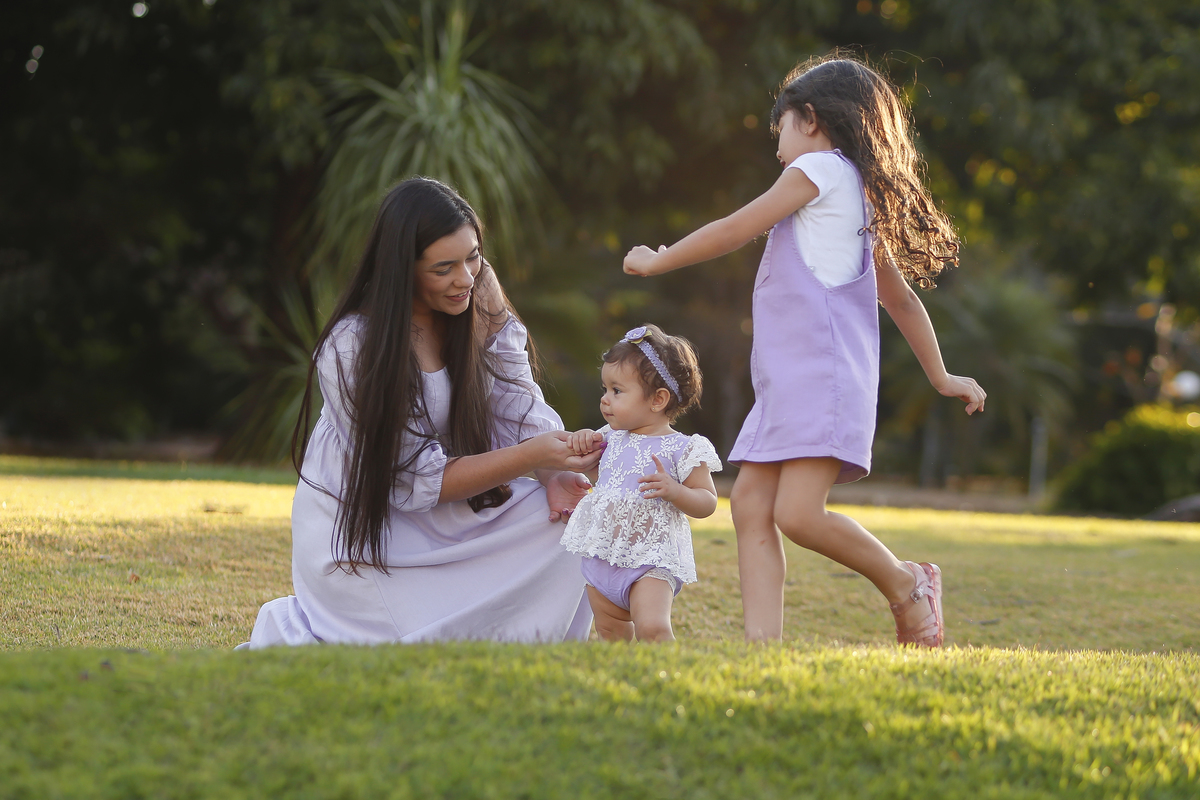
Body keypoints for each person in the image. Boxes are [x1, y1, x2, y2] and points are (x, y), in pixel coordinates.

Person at [622, 56, 987, 647]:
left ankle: (908, 584)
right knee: (749, 505)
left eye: (781, 131)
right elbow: (900, 300)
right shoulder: (852, 196)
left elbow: (735, 228)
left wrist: (659, 259)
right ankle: (762, 650)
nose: (778, 150)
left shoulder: (819, 170)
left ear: (810, 120)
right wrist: (941, 375)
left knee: (797, 514)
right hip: (788, 386)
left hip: (823, 380)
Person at [241, 177, 603, 647]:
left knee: (572, 524)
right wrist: (531, 455)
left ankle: (535, 652)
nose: (465, 279)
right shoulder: (353, 347)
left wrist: (552, 475)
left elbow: (515, 398)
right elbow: (413, 482)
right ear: (402, 269)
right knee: (410, 638)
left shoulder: (473, 301)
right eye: (443, 268)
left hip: (441, 513)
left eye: (474, 257)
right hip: (366, 532)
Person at [559, 324, 720, 642]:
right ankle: (624, 681)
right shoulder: (608, 439)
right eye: (605, 389)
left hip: (651, 561)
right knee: (609, 630)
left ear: (658, 399)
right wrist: (578, 441)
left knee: (652, 627)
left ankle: (669, 680)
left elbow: (707, 500)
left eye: (616, 391)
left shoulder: (683, 448)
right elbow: (601, 477)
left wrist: (676, 491)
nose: (605, 400)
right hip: (603, 555)